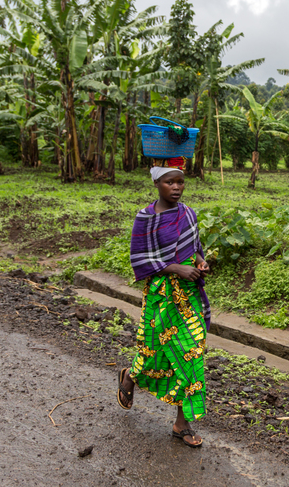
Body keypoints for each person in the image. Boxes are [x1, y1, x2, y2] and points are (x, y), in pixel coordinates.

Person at [117, 164, 211, 448]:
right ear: (157, 183)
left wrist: (199, 263)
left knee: (192, 352)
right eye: (170, 182)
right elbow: (141, 259)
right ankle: (130, 376)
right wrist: (175, 269)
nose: (177, 187)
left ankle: (181, 424)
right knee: (155, 350)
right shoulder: (145, 218)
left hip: (188, 297)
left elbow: (193, 248)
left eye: (181, 182)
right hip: (161, 295)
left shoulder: (188, 213)